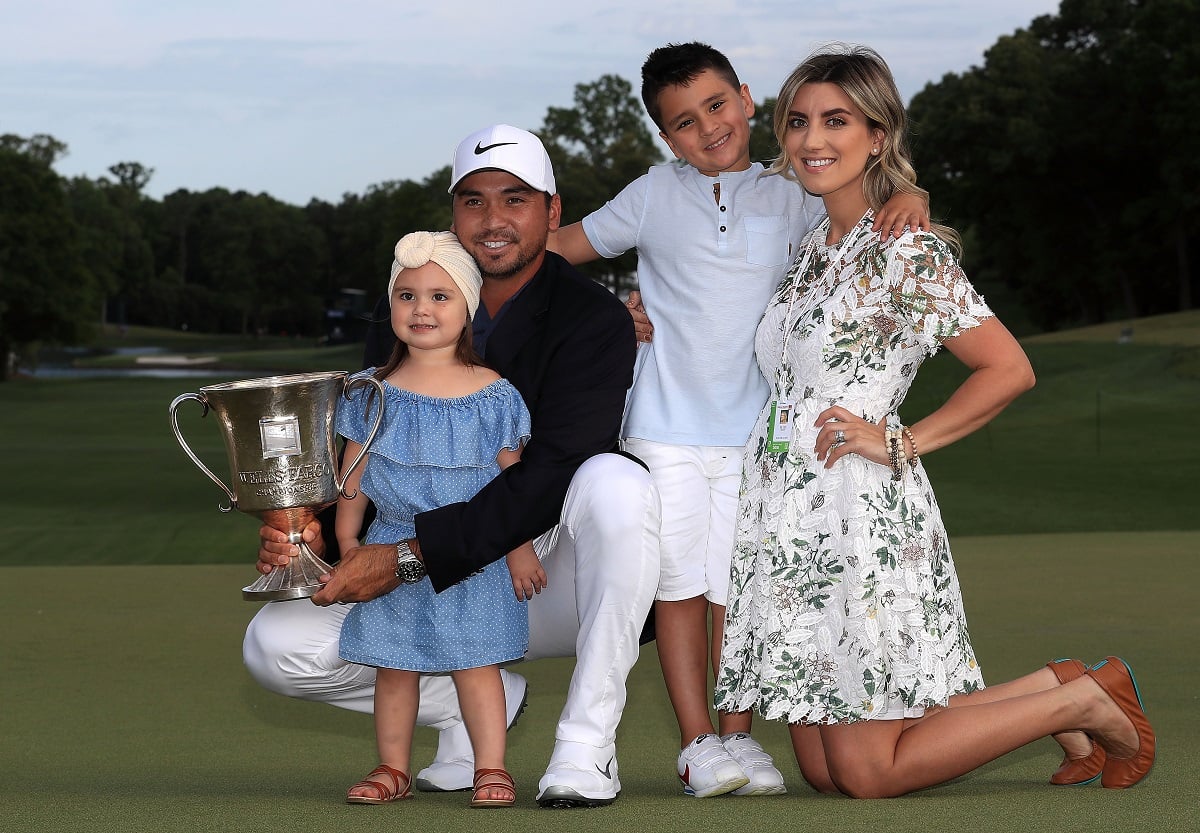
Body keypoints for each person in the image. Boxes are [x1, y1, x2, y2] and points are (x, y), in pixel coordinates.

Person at [714, 44, 1154, 798]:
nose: (812, 139)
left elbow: (1009, 367)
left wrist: (900, 439)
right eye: (798, 122)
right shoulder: (814, 245)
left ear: (878, 134)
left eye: (837, 121)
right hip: (793, 515)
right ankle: (1067, 682)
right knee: (824, 772)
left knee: (866, 772)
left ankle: (1082, 701)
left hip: (857, 508)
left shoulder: (905, 251)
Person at [549, 41, 929, 798]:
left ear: (748, 99)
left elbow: (866, 217)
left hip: (761, 434)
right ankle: (697, 743)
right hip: (663, 424)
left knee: (739, 587)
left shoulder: (795, 192)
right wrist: (611, 313)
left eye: (717, 106)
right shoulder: (651, 194)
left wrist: (911, 201)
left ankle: (738, 739)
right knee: (679, 584)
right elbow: (555, 251)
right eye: (683, 122)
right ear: (666, 137)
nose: (708, 128)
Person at [244, 124, 661, 809]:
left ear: (552, 213)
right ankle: (480, 705)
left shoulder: (592, 318)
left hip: (545, 571)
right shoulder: (409, 307)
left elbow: (550, 475)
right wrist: (310, 530)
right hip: (424, 561)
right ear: (453, 213)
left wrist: (411, 555)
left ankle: (586, 746)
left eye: (515, 199)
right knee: (275, 644)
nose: (493, 220)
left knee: (617, 483)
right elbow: (371, 449)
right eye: (473, 201)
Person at [334, 230, 539, 807]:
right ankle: (391, 767)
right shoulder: (372, 393)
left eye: (440, 296)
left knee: (476, 665)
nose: (422, 309)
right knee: (394, 666)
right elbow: (354, 472)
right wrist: (348, 538)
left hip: (474, 554)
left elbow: (512, 485)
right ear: (391, 306)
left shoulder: (492, 394)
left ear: (468, 307)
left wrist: (519, 548)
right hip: (391, 546)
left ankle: (491, 768)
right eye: (407, 295)